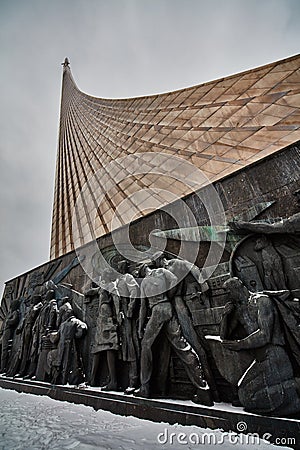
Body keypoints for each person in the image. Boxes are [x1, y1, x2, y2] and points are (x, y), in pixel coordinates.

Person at [221, 277, 300, 416]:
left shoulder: (262, 301)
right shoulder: (240, 310)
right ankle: (286, 391)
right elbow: (224, 337)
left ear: (237, 288)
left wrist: (240, 344)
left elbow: (265, 335)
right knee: (244, 394)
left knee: (248, 398)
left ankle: (294, 391)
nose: (228, 296)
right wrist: (225, 317)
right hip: (260, 359)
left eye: (228, 292)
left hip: (275, 355)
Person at [136, 263, 213, 406]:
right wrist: (169, 296)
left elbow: (142, 308)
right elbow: (174, 281)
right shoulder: (162, 272)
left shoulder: (145, 282)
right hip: (168, 307)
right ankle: (204, 389)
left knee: (145, 346)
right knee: (182, 347)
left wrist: (141, 327)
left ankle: (145, 387)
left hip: (157, 310)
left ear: (141, 271)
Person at [90, 269, 120, 390]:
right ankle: (92, 379)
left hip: (107, 316)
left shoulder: (111, 286)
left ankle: (114, 381)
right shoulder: (102, 287)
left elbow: (116, 299)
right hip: (101, 318)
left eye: (103, 275)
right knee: (97, 348)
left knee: (109, 347)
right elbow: (88, 291)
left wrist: (118, 315)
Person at [115, 260, 140, 393]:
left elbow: (134, 290)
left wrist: (130, 309)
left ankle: (134, 380)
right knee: (123, 346)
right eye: (119, 266)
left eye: (121, 266)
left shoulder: (128, 277)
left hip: (127, 313)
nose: (119, 268)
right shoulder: (118, 280)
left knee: (131, 346)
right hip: (120, 315)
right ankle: (122, 380)